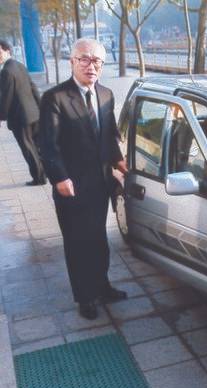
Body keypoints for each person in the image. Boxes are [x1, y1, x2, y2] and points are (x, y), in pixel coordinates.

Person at [39, 38, 128, 320]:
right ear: (73, 62)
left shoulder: (106, 94)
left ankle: (102, 286)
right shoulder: (55, 98)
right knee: (78, 242)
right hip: (72, 186)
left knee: (99, 237)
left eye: (97, 61)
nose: (92, 66)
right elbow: (47, 145)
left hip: (100, 183)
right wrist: (59, 178)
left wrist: (119, 162)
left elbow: (109, 134)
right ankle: (85, 297)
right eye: (85, 59)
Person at [0, 39, 46, 186]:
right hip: (34, 113)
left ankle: (38, 178)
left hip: (20, 117)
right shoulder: (19, 66)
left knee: (28, 148)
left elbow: (6, 97)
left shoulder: (6, 71)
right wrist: (41, 108)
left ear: (7, 50)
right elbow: (33, 88)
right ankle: (43, 174)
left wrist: (1, 116)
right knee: (37, 145)